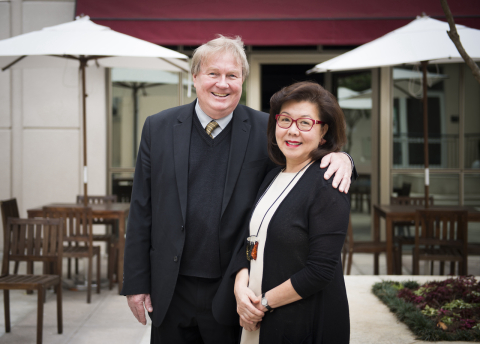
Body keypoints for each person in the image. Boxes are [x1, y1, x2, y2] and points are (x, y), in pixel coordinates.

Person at [122, 36, 355, 344]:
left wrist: (343, 158)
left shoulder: (267, 129)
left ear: (242, 80)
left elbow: (304, 157)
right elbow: (142, 208)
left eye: (232, 75)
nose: (223, 84)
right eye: (213, 74)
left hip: (235, 291)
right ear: (194, 77)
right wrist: (136, 282)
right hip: (171, 289)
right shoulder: (158, 127)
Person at [233, 81, 350, 343]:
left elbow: (320, 271)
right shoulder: (273, 176)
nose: (292, 131)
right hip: (257, 316)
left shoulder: (328, 184)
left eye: (305, 123)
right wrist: (240, 286)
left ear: (324, 132)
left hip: (302, 322)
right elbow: (251, 240)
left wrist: (261, 304)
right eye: (285, 120)